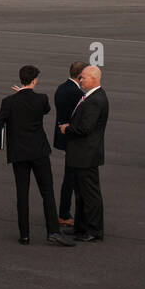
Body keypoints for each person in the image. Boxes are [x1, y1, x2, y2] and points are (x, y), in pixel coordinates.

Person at [0, 65, 75, 247]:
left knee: (22, 193)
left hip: (19, 153)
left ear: (21, 79)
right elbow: (45, 110)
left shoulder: (8, 102)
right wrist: (25, 94)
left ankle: (25, 235)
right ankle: (52, 231)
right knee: (47, 191)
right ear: (34, 80)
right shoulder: (41, 99)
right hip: (39, 151)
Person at [63, 65, 108, 242]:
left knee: (89, 194)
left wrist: (68, 128)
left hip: (86, 154)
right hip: (82, 154)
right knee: (81, 194)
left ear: (94, 79)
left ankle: (94, 230)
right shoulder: (91, 97)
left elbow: (85, 128)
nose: (80, 80)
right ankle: (81, 228)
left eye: (83, 78)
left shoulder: (95, 99)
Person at [52, 61, 87, 230]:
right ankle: (64, 213)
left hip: (63, 137)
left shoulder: (61, 88)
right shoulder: (76, 93)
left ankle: (64, 212)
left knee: (70, 177)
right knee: (71, 178)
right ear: (80, 75)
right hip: (73, 140)